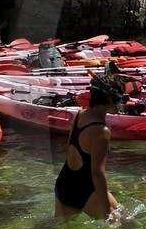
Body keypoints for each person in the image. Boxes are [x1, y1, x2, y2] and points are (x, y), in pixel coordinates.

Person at [53, 70, 123, 221]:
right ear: (109, 99)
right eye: (119, 99)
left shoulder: (80, 115)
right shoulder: (101, 131)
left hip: (64, 183)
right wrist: (107, 207)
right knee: (123, 221)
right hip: (84, 189)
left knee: (52, 225)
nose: (121, 104)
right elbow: (97, 172)